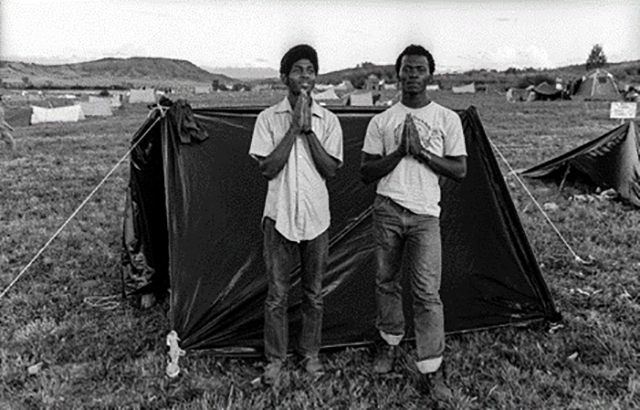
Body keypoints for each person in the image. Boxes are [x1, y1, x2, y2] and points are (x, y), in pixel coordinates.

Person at [360, 44, 467, 403]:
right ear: (398, 74)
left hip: (425, 215)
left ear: (430, 75)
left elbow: (460, 170)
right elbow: (365, 171)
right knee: (386, 282)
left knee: (426, 293)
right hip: (388, 208)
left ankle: (432, 368)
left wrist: (422, 152)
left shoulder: (446, 119)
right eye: (406, 69)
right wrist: (399, 153)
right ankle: (388, 345)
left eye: (419, 69)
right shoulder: (383, 120)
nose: (412, 75)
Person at [249, 44, 343, 385]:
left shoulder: (328, 120)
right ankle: (275, 360)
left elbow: (331, 169)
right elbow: (268, 169)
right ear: (284, 77)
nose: (305, 76)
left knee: (314, 293)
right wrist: (292, 127)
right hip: (279, 217)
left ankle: (310, 355)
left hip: (316, 218)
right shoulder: (268, 118)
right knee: (276, 294)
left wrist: (308, 130)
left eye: (310, 70)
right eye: (298, 70)